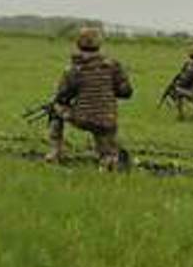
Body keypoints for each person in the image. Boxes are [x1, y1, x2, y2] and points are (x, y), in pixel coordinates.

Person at [45, 26, 132, 170]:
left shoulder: (74, 68)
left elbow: (62, 97)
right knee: (105, 140)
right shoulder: (113, 66)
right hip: (108, 119)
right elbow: (126, 92)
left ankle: (55, 153)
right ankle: (109, 159)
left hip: (83, 118)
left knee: (55, 108)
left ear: (79, 43)